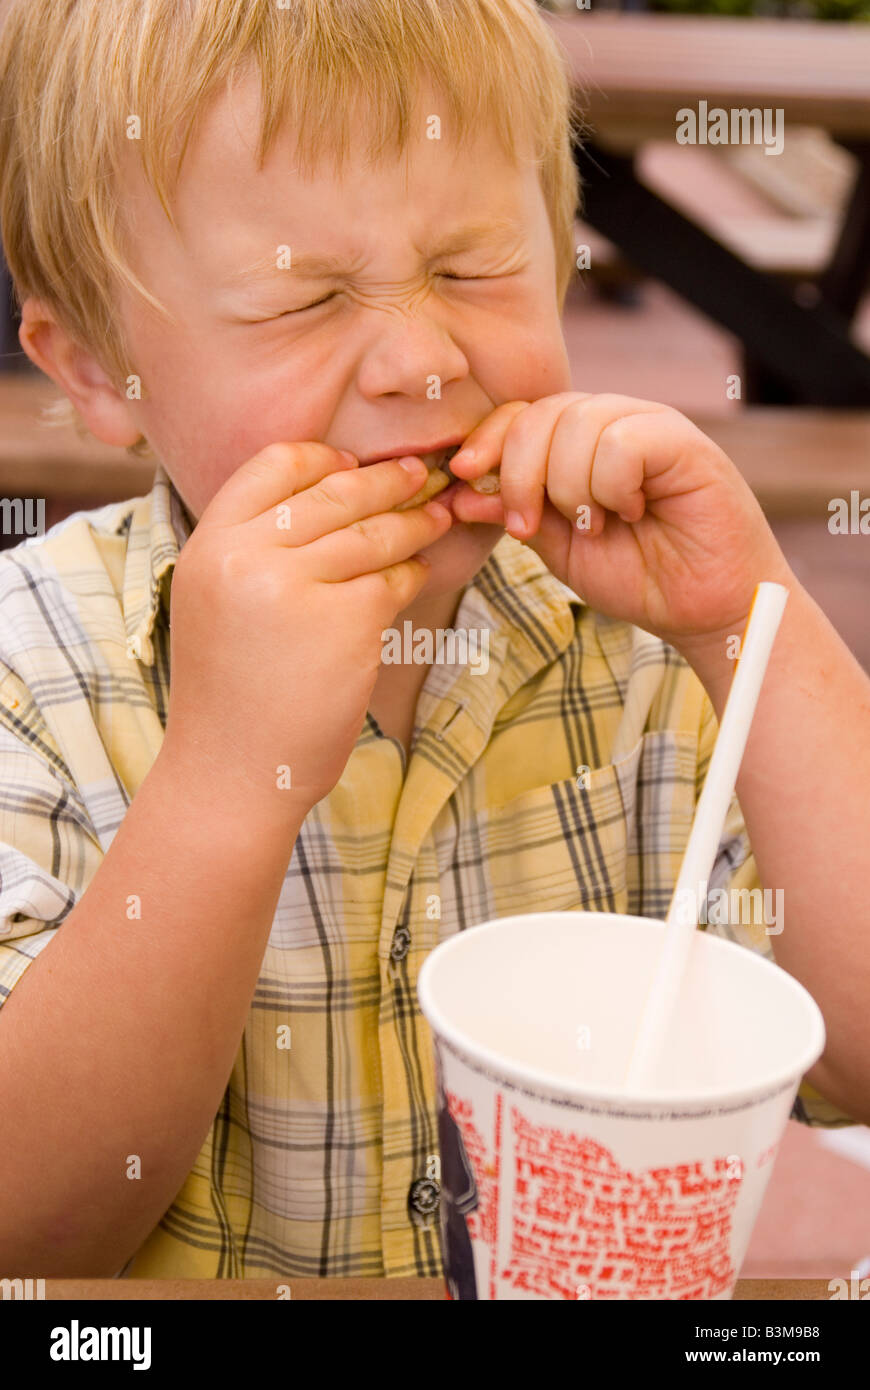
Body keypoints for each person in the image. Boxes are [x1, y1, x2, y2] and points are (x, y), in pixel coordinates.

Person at [0, 0, 866, 1282]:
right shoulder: (39, 665)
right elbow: (32, 1223)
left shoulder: (642, 649)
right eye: (303, 298)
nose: (419, 359)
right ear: (93, 371)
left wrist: (752, 624)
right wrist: (230, 777)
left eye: (474, 267)